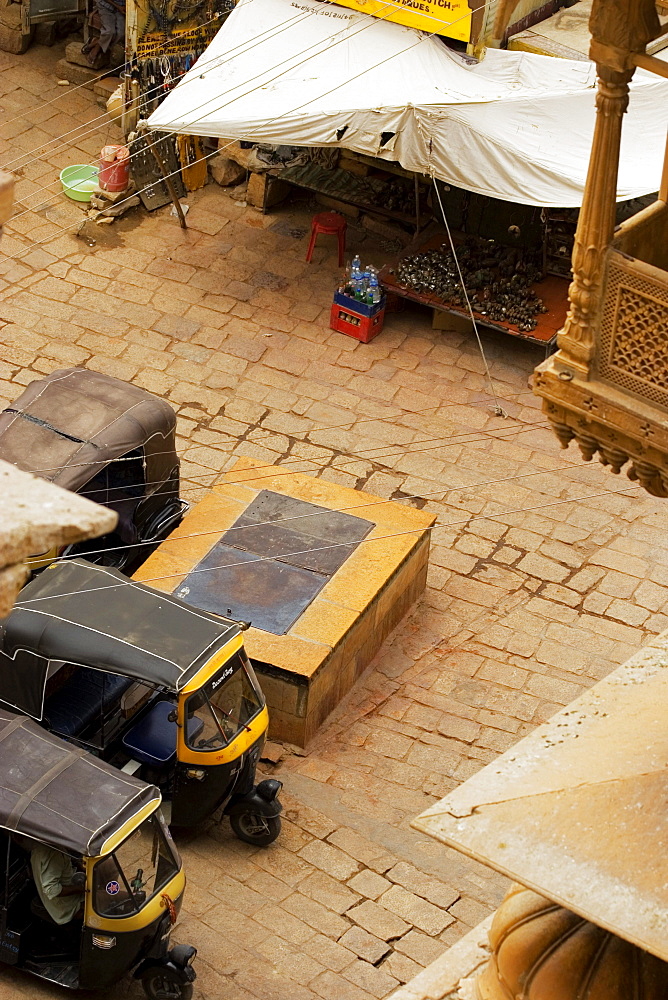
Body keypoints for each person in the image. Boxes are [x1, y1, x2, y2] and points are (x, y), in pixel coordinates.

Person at [30, 843, 84, 926]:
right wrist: (82, 889)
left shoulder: (40, 846)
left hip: (69, 890)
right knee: (103, 898)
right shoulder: (54, 853)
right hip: (66, 907)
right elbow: (52, 890)